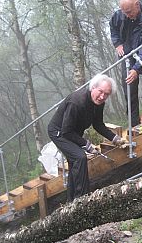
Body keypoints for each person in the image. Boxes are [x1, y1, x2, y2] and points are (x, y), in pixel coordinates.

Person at [48, 74, 124, 202]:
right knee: (80, 157)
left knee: (74, 163)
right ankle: (81, 199)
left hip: (72, 131)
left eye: (106, 94)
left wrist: (115, 138)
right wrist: (86, 144)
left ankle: (71, 200)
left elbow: (98, 124)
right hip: (59, 132)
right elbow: (66, 131)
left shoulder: (99, 103)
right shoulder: (77, 102)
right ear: (93, 87)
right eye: (100, 92)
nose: (102, 97)